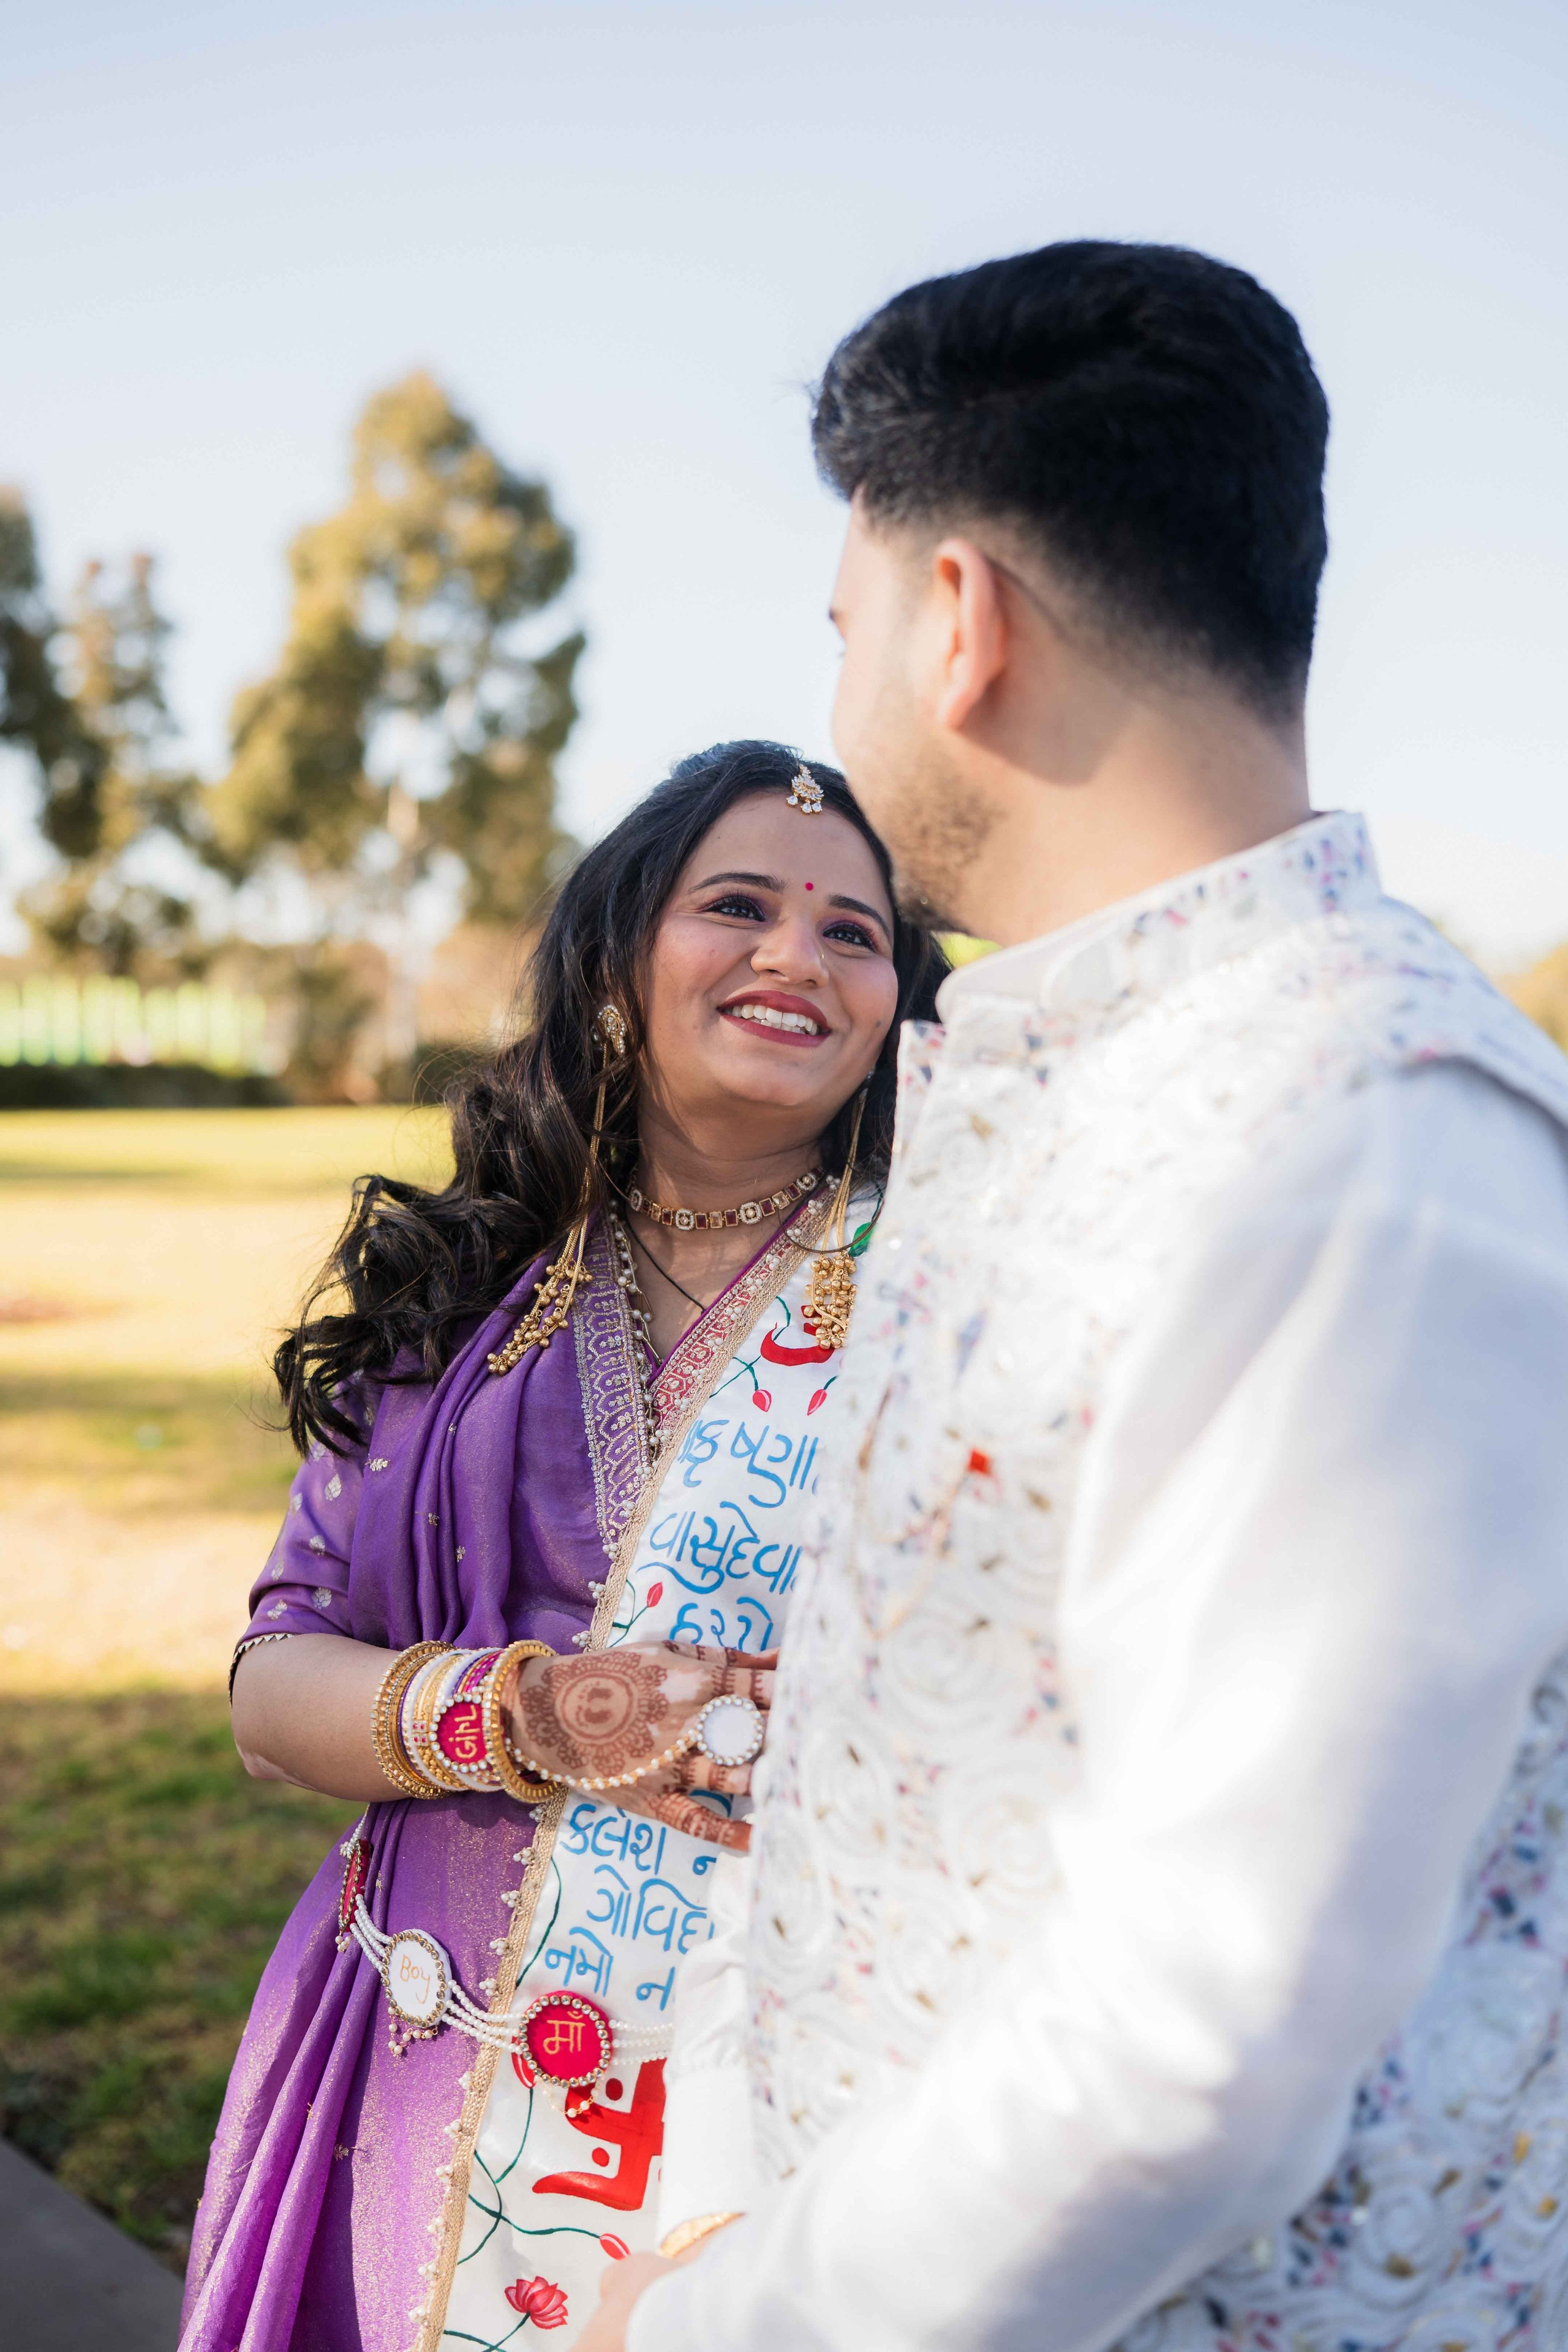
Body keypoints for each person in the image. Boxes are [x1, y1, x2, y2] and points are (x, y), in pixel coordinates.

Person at [600, 246, 1568, 2351]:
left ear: (960, 626)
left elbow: (1196, 2043)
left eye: (845, 627)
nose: (843, 696)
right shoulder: (1051, 1081)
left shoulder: (1365, 1147)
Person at [178, 739, 946, 2352]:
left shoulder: (954, 1290)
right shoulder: (465, 1286)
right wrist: (532, 1713)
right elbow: (272, 1687)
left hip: (791, 2110)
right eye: (735, 904)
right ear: (619, 954)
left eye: (855, 932)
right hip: (417, 2080)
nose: (796, 954)